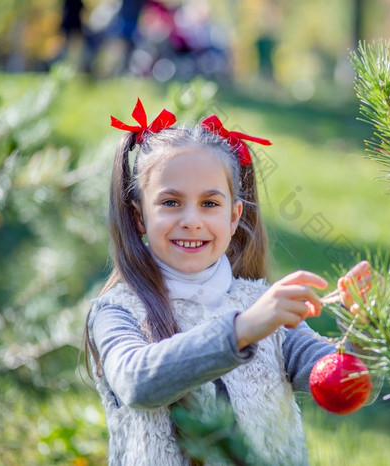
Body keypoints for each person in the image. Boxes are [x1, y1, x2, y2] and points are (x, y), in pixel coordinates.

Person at [84, 99, 372, 465]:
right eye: (171, 203)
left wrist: (363, 332)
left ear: (235, 217)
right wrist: (243, 329)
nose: (191, 220)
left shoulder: (262, 306)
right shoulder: (118, 310)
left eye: (210, 204)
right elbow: (136, 383)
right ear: (140, 217)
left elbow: (341, 384)